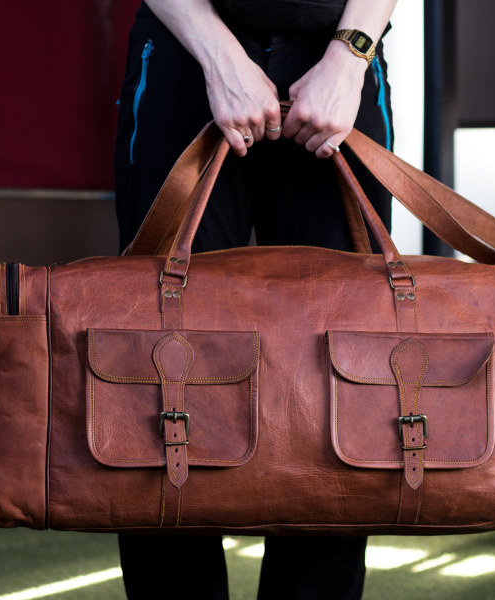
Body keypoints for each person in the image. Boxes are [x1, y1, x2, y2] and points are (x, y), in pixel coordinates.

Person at [113, 1, 398, 598]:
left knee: (343, 372)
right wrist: (220, 59)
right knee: (159, 360)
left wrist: (348, 59)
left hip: (343, 57)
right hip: (185, 49)